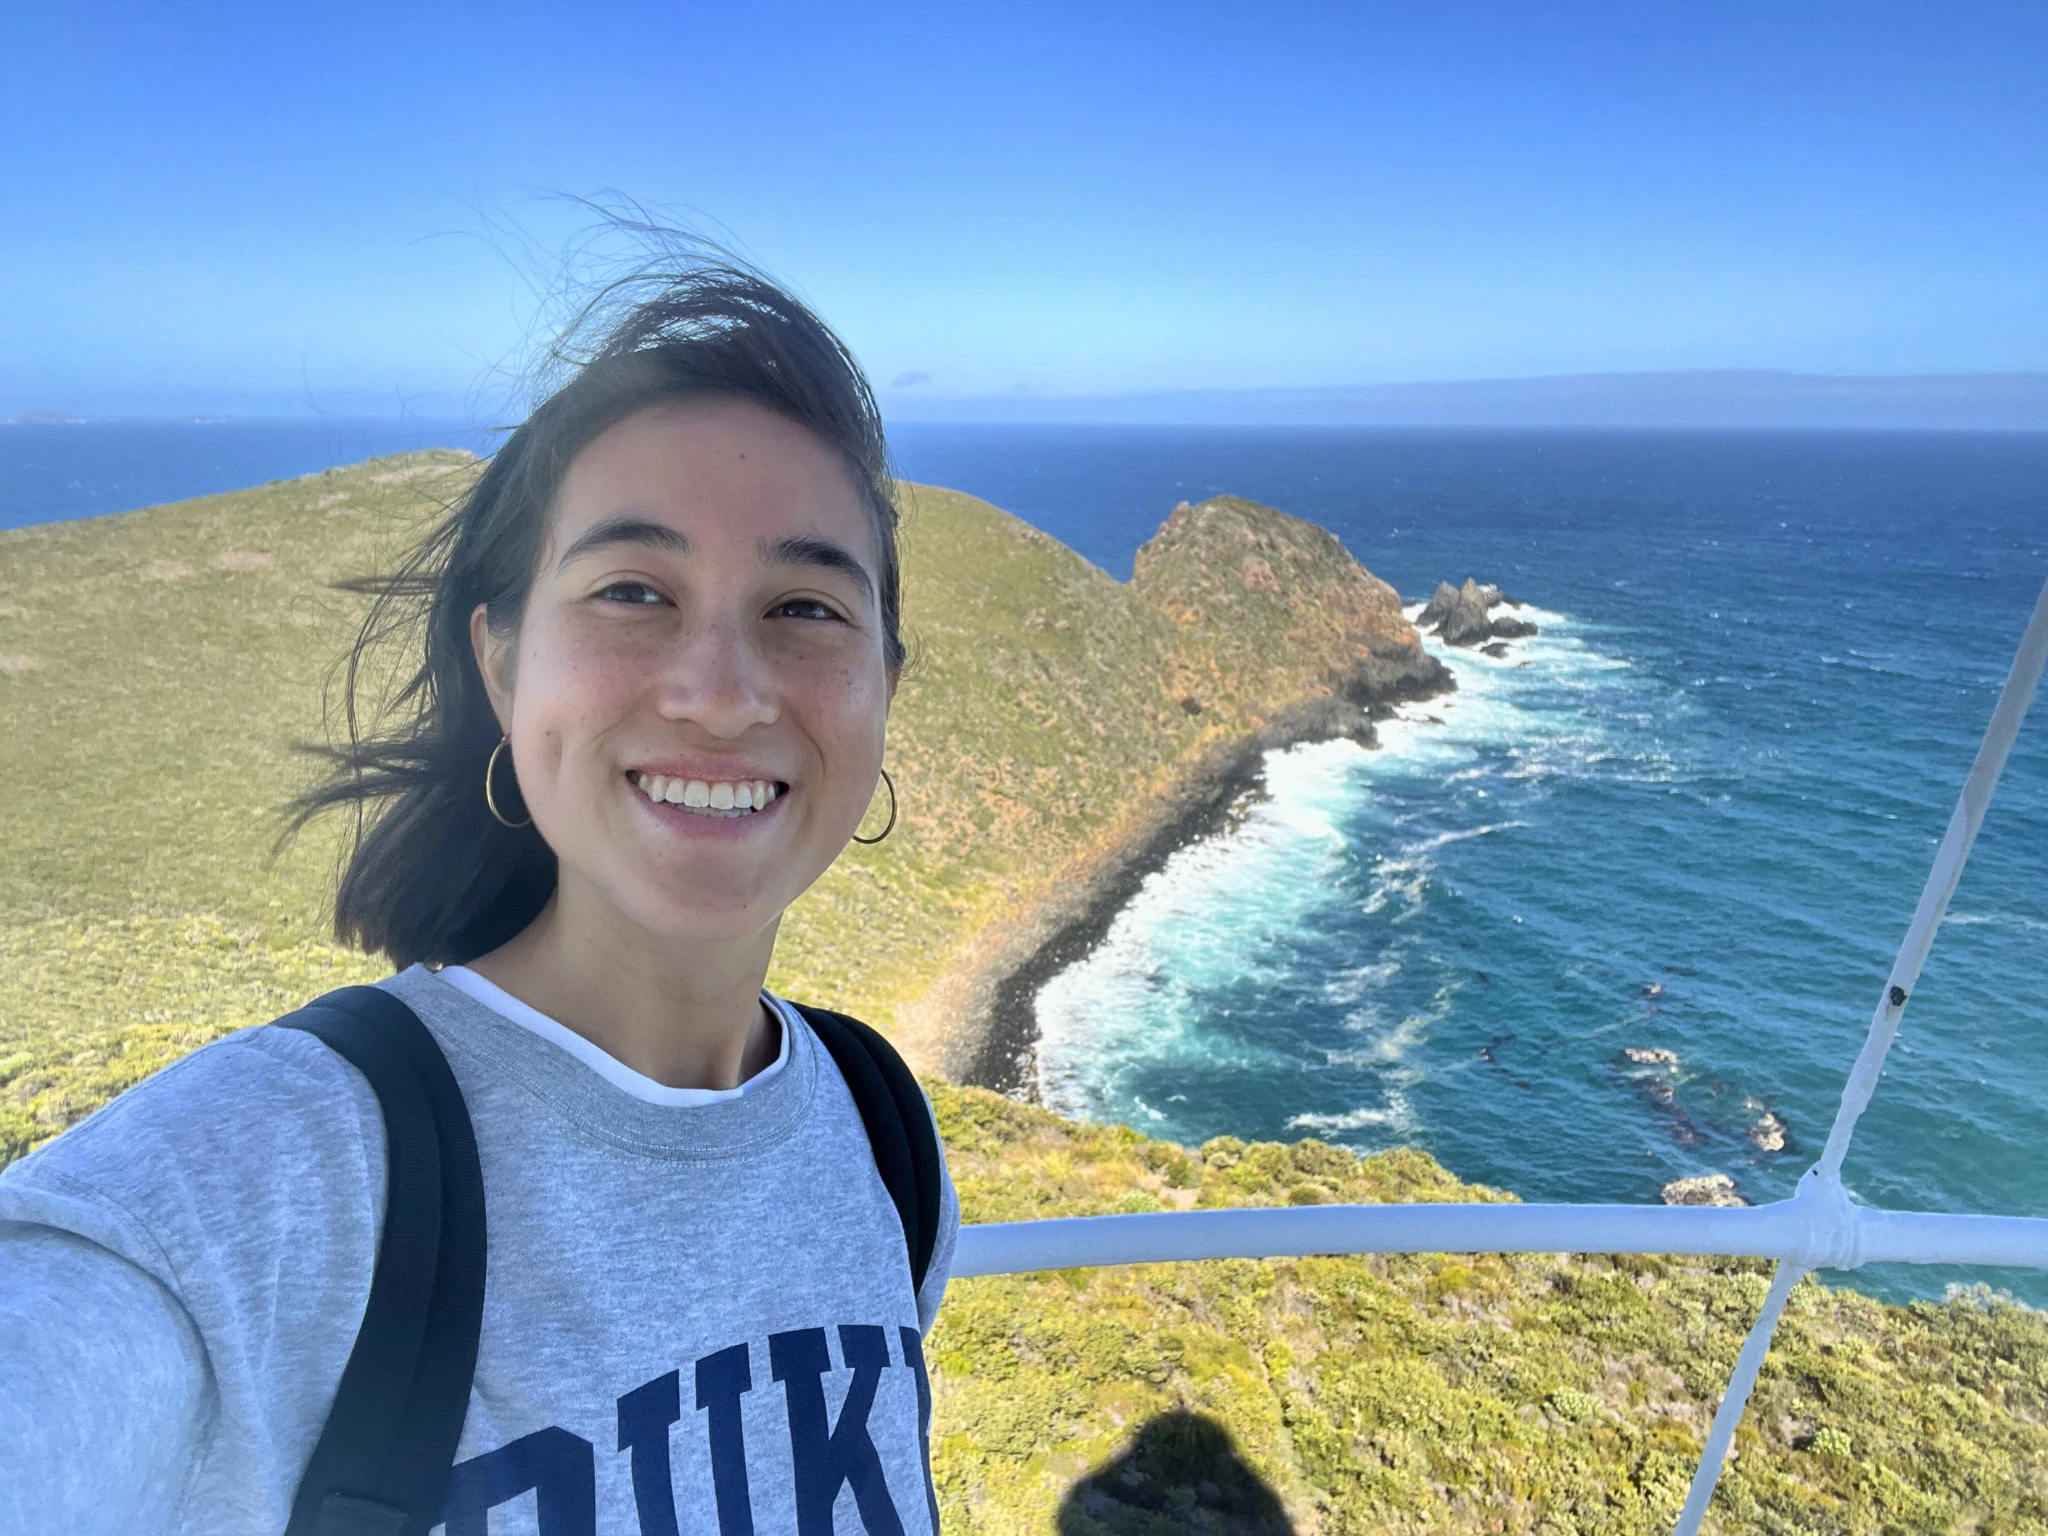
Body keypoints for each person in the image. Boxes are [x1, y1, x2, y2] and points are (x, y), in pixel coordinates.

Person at [0, 252, 958, 1535]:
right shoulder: (257, 1191)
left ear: (886, 683)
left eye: (805, 605)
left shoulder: (883, 1142)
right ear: (501, 662)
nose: (722, 692)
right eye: (632, 591)